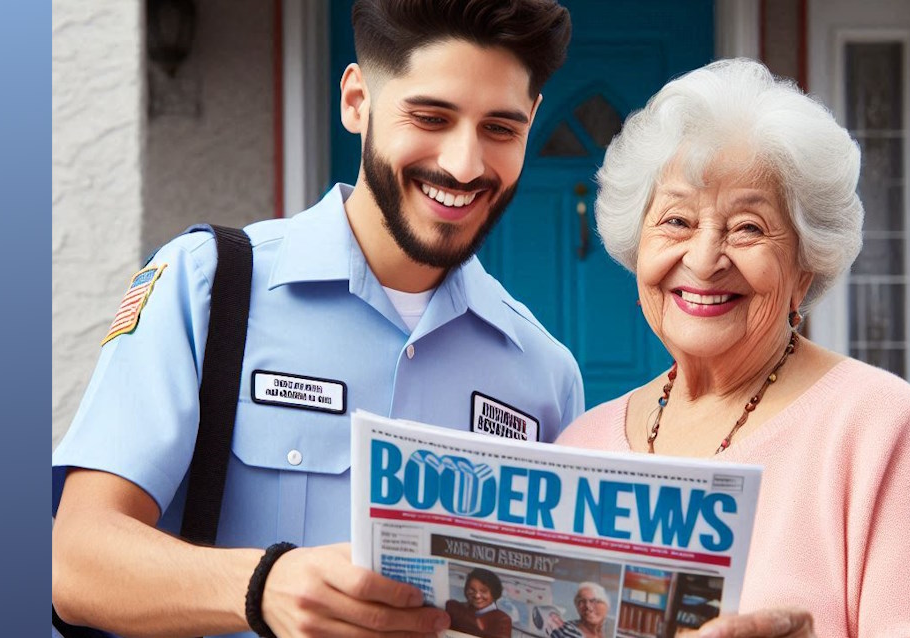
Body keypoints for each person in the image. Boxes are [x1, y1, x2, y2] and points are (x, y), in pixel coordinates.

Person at [51, 1, 582, 637]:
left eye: (501, 128)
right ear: (357, 101)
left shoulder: (547, 374)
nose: (465, 165)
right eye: (431, 117)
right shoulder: (207, 284)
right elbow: (73, 560)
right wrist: (263, 587)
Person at [554, 59, 910, 638]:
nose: (704, 258)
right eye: (677, 220)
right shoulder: (582, 445)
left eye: (748, 228)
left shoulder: (876, 427)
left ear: (804, 269)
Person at [445, 568, 513, 638]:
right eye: (472, 589)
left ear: (494, 593)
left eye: (484, 591)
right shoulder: (457, 608)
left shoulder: (503, 619)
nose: (477, 595)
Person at [550, 583, 614, 638]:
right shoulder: (564, 631)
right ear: (577, 607)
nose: (588, 607)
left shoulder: (611, 629)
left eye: (594, 601)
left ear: (606, 605)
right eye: (582, 602)